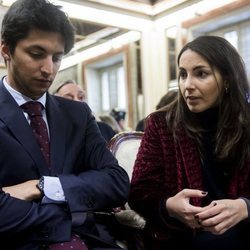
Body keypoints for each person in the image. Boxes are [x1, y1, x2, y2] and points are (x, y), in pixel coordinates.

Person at [0, 0, 129, 249]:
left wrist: (43, 187)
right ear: (6, 50)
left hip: (90, 242)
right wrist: (73, 211)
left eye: (57, 58)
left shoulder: (77, 115)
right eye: (36, 54)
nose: (49, 69)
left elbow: (116, 182)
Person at [128, 35, 250, 250]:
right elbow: (139, 191)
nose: (188, 85)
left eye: (201, 74)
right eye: (183, 75)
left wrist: (245, 207)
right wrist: (168, 206)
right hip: (181, 237)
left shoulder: (246, 123)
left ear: (228, 80)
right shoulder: (161, 124)